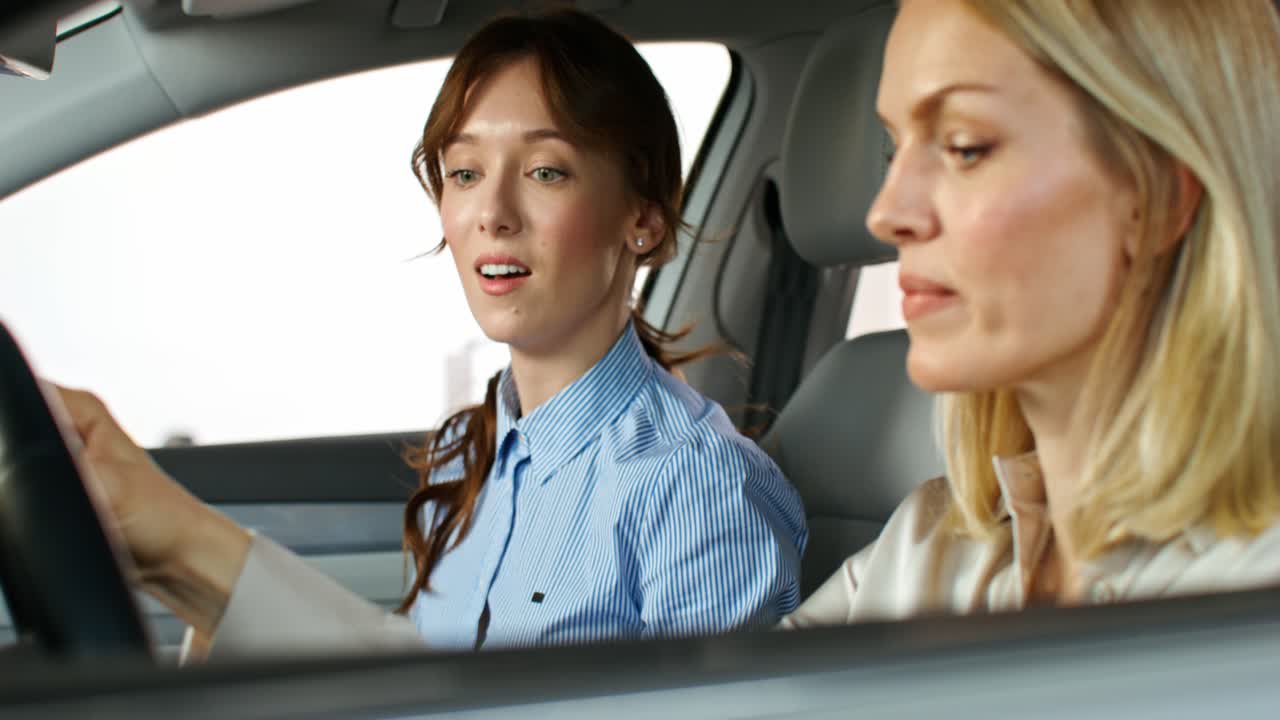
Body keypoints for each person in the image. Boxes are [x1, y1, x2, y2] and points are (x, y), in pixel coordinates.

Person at [58, 8, 806, 656]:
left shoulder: (699, 488)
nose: (493, 214)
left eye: (546, 171)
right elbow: (415, 683)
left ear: (643, 218)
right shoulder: (462, 455)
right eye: (465, 172)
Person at [782, 0, 1280, 629]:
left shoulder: (1253, 595)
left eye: (965, 147)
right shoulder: (923, 548)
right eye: (891, 154)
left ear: (1157, 202)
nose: (884, 213)